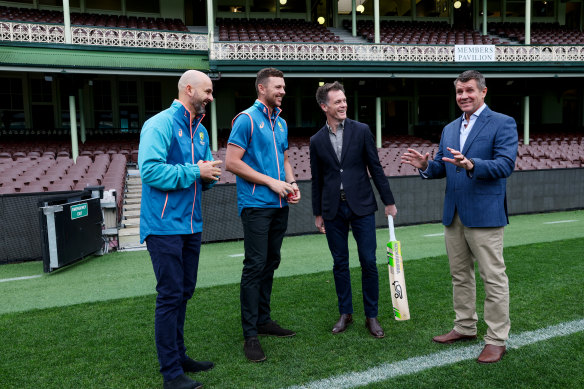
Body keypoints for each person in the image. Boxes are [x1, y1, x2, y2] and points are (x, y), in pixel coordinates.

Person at [401, 70, 518, 364]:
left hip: (485, 214)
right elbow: (442, 166)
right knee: (459, 275)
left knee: (493, 278)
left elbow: (505, 165)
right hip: (453, 214)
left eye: (469, 90)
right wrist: (425, 165)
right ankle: (465, 327)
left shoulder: (503, 123)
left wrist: (471, 164)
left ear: (483, 91)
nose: (463, 96)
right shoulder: (450, 128)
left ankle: (496, 339)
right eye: (459, 92)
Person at [138, 70, 222, 389]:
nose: (211, 98)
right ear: (189, 89)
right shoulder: (159, 124)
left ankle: (179, 356)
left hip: (191, 225)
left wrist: (208, 176)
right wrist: (195, 171)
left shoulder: (200, 132)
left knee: (183, 293)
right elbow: (150, 171)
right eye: (208, 91)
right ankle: (171, 374)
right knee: (170, 295)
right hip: (163, 226)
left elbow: (201, 175)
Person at [310, 81, 397, 338]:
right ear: (324, 106)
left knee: (368, 261)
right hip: (332, 210)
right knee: (340, 263)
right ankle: (345, 313)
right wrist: (318, 213)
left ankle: (372, 316)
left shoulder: (361, 130)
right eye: (337, 101)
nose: (343, 104)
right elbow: (317, 179)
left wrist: (388, 201)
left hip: (362, 207)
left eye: (344, 100)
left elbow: (376, 167)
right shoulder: (316, 140)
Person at [225, 68, 300, 362]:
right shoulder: (245, 119)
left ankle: (263, 320)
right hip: (256, 205)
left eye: (284, 87)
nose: (282, 91)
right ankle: (250, 335)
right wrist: (271, 182)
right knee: (255, 265)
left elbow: (283, 158)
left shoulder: (279, 122)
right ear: (261, 89)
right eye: (278, 87)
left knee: (271, 261)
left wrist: (292, 184)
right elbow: (231, 162)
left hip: (279, 205)